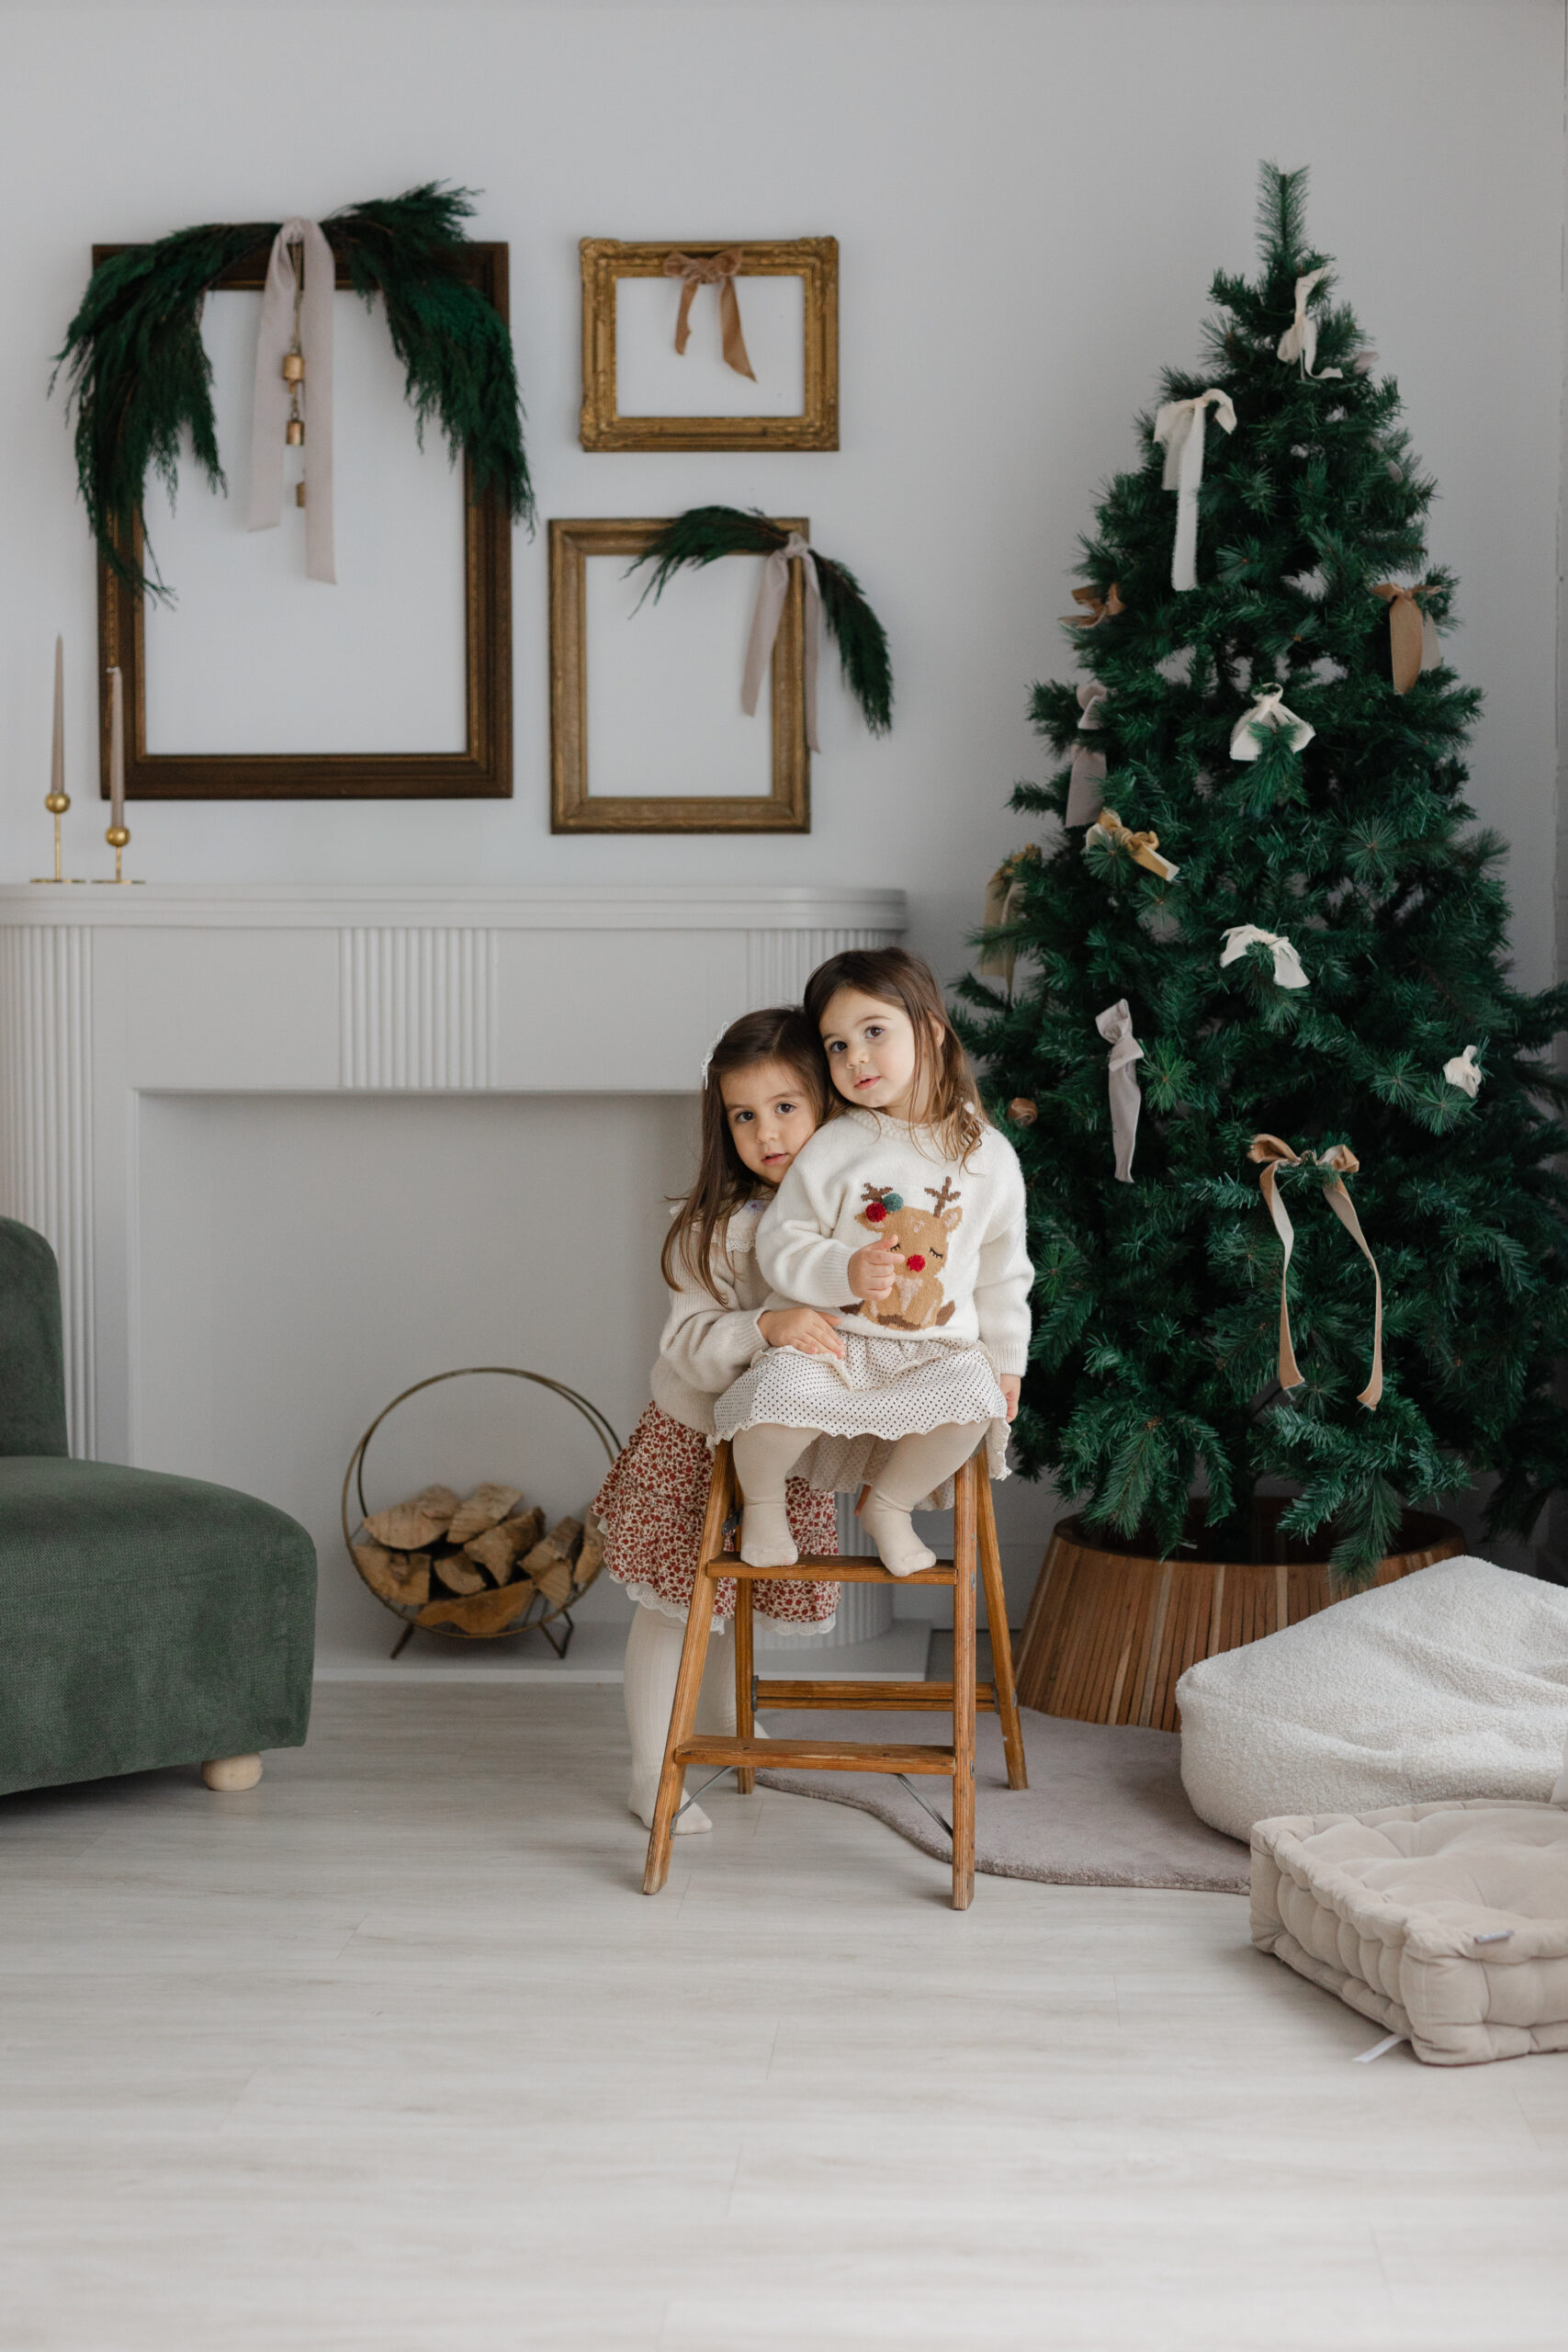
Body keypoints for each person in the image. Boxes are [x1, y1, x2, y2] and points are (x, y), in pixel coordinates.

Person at [593, 1008, 842, 1836]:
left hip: (776, 1447)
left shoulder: (848, 1220)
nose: (767, 1132)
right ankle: (648, 1766)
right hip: (695, 1444)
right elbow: (690, 1343)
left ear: (826, 1108)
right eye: (744, 1115)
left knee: (730, 1597)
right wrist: (762, 1326)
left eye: (785, 1107)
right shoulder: (710, 1229)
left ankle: (726, 1724)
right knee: (674, 1606)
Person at [715, 948, 1032, 1578]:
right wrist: (843, 1271)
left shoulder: (988, 1156)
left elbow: (1003, 1270)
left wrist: (1008, 1361)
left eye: (873, 1033)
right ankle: (764, 1505)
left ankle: (888, 1505)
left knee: (973, 1406)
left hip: (935, 1350)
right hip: (836, 1344)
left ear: (932, 1032)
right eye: (835, 1045)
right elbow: (783, 1240)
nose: (854, 1057)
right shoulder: (838, 1144)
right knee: (776, 1396)